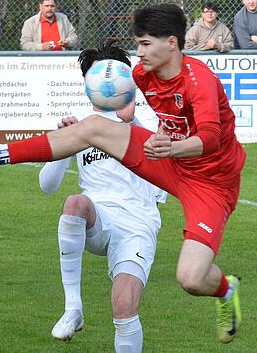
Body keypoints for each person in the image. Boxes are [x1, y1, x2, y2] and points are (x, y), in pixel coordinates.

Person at [0, 3, 245, 344]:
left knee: (191, 279)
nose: (138, 53)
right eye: (137, 44)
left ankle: (227, 291)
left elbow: (211, 139)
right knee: (92, 125)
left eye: (144, 44)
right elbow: (118, 109)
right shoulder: (141, 74)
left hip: (211, 184)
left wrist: (170, 146)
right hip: (169, 160)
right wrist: (87, 118)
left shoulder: (200, 81)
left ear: (171, 43)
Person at [40, 45, 167, 351]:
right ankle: (74, 308)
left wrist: (132, 124)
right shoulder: (80, 128)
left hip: (137, 224)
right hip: (99, 219)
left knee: (123, 307)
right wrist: (62, 144)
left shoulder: (147, 126)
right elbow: (47, 185)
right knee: (74, 203)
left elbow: (163, 180)